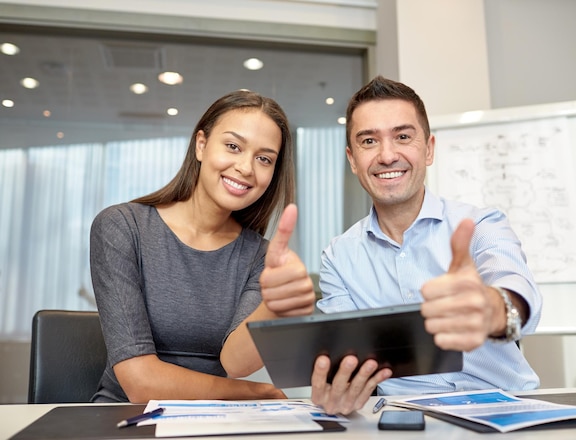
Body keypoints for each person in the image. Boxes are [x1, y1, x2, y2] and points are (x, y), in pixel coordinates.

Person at [310, 76, 543, 415]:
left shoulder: (480, 224)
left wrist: (492, 308)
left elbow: (519, 292)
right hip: (403, 418)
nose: (387, 155)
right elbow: (349, 359)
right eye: (369, 141)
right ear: (352, 159)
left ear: (429, 148)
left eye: (403, 137)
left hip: (505, 408)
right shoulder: (339, 257)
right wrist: (337, 385)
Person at [89, 90, 316, 403]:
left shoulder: (260, 257)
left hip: (214, 420)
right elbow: (139, 383)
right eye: (233, 146)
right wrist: (256, 392)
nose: (247, 168)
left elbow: (235, 363)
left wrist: (274, 308)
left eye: (264, 158)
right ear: (201, 145)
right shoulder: (122, 226)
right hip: (126, 417)